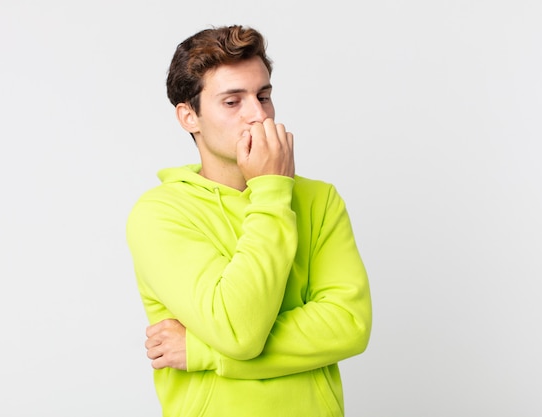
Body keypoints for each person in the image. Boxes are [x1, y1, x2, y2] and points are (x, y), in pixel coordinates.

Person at [126, 25, 372, 417]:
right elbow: (238, 331)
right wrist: (273, 190)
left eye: (263, 96)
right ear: (189, 116)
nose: (258, 115)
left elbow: (348, 325)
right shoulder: (160, 214)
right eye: (232, 101)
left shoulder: (319, 199)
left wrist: (202, 349)